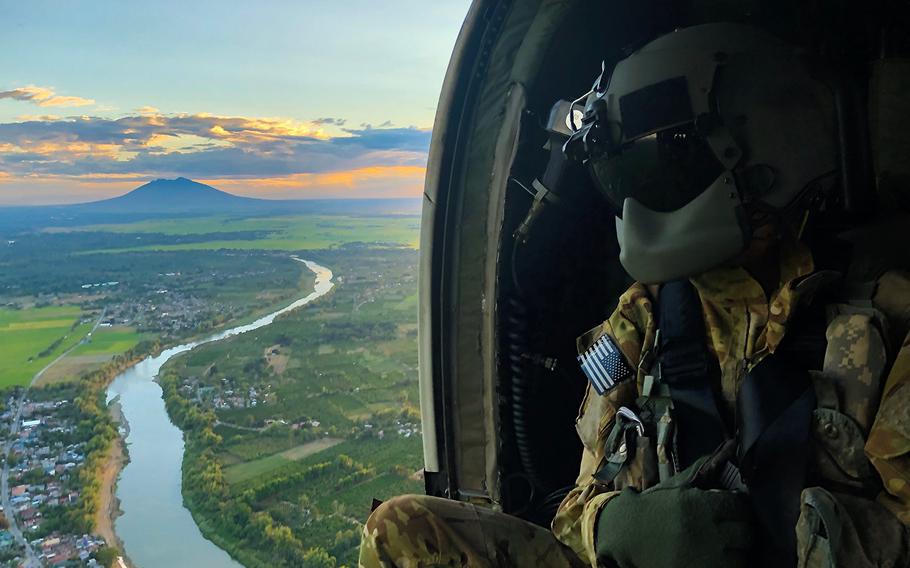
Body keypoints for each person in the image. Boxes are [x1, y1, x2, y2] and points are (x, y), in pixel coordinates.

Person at [359, 22, 910, 568]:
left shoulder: (884, 322)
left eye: (663, 170)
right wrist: (618, 527)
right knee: (400, 532)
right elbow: (576, 512)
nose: (643, 198)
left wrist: (793, 534)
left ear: (765, 151)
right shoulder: (646, 318)